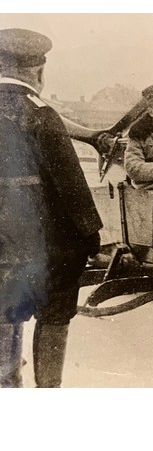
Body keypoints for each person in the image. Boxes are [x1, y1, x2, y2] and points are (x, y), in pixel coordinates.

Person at [0, 28, 103, 388]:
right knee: (55, 310)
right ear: (38, 72)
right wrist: (90, 238)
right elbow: (70, 184)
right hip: (36, 242)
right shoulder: (40, 113)